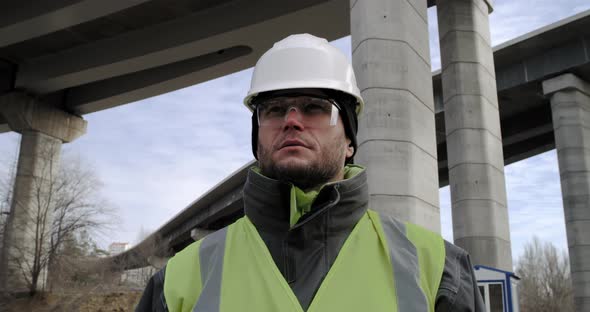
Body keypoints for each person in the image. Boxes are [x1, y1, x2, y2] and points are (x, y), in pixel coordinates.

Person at [136, 34, 485, 312]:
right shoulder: (178, 282)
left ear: (349, 139)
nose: (291, 120)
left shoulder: (439, 271)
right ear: (257, 139)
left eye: (315, 107)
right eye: (273, 109)